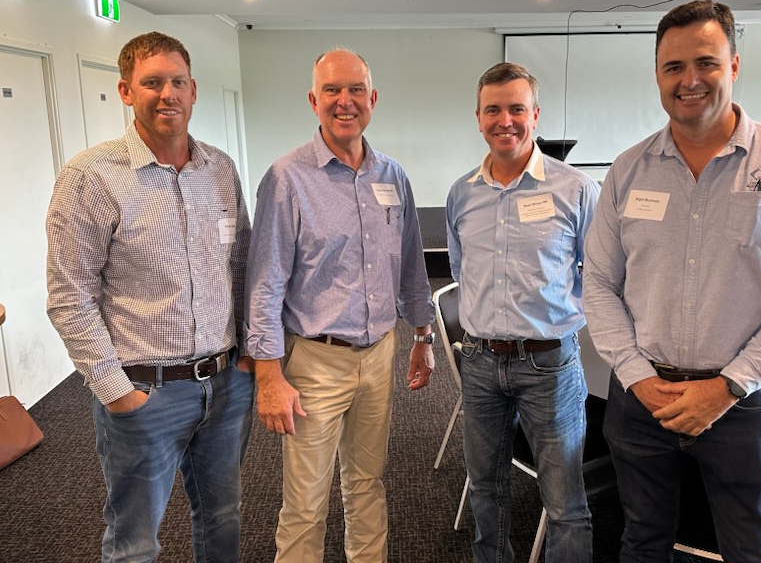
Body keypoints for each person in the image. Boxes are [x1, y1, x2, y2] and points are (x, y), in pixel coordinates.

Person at [583, 0, 761, 562]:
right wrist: (636, 376)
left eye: (706, 63)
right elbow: (598, 283)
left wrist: (728, 386)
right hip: (641, 401)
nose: (690, 80)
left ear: (734, 65)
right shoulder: (627, 171)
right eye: (673, 67)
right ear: (657, 75)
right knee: (641, 542)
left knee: (751, 550)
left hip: (741, 406)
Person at [46, 31, 254, 562]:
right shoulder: (90, 176)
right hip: (146, 392)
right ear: (124, 91)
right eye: (152, 82)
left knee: (224, 519)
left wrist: (250, 356)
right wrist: (116, 390)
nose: (168, 94)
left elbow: (240, 267)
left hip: (226, 386)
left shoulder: (220, 170)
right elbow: (70, 295)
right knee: (135, 540)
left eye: (177, 81)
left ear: (194, 89)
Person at [245, 48, 436, 563]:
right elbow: (264, 283)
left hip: (380, 356)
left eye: (355, 90)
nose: (344, 101)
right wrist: (268, 375)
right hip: (314, 363)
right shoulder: (287, 178)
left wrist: (422, 336)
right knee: (306, 503)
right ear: (314, 100)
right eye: (332, 91)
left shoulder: (392, 176)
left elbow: (411, 264)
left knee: (367, 483)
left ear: (372, 100)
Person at [446, 62, 598, 563]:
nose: (504, 120)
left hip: (550, 365)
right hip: (481, 362)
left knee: (564, 503)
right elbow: (461, 267)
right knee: (485, 490)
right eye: (493, 109)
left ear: (535, 114)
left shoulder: (575, 190)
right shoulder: (462, 193)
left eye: (516, 108)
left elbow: (598, 275)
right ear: (478, 117)